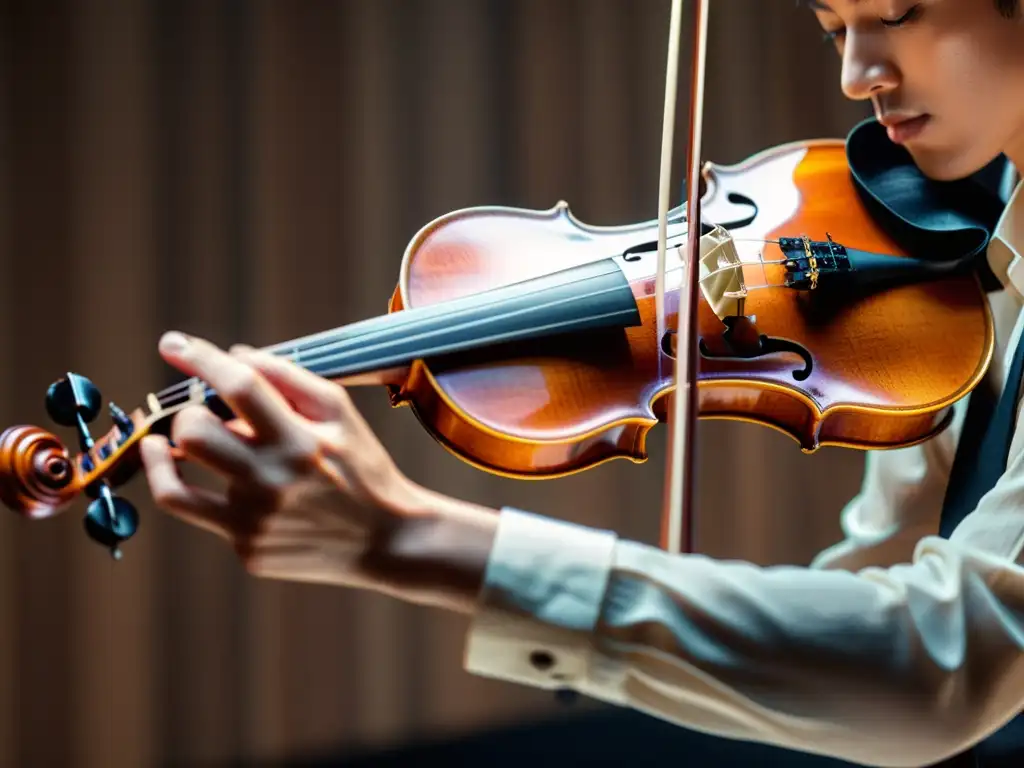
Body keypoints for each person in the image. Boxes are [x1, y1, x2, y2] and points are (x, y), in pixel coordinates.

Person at [138, 2, 1024, 766]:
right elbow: (866, 613)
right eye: (835, 27)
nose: (856, 75)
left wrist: (410, 537)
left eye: (897, 15)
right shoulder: (954, 261)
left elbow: (937, 663)